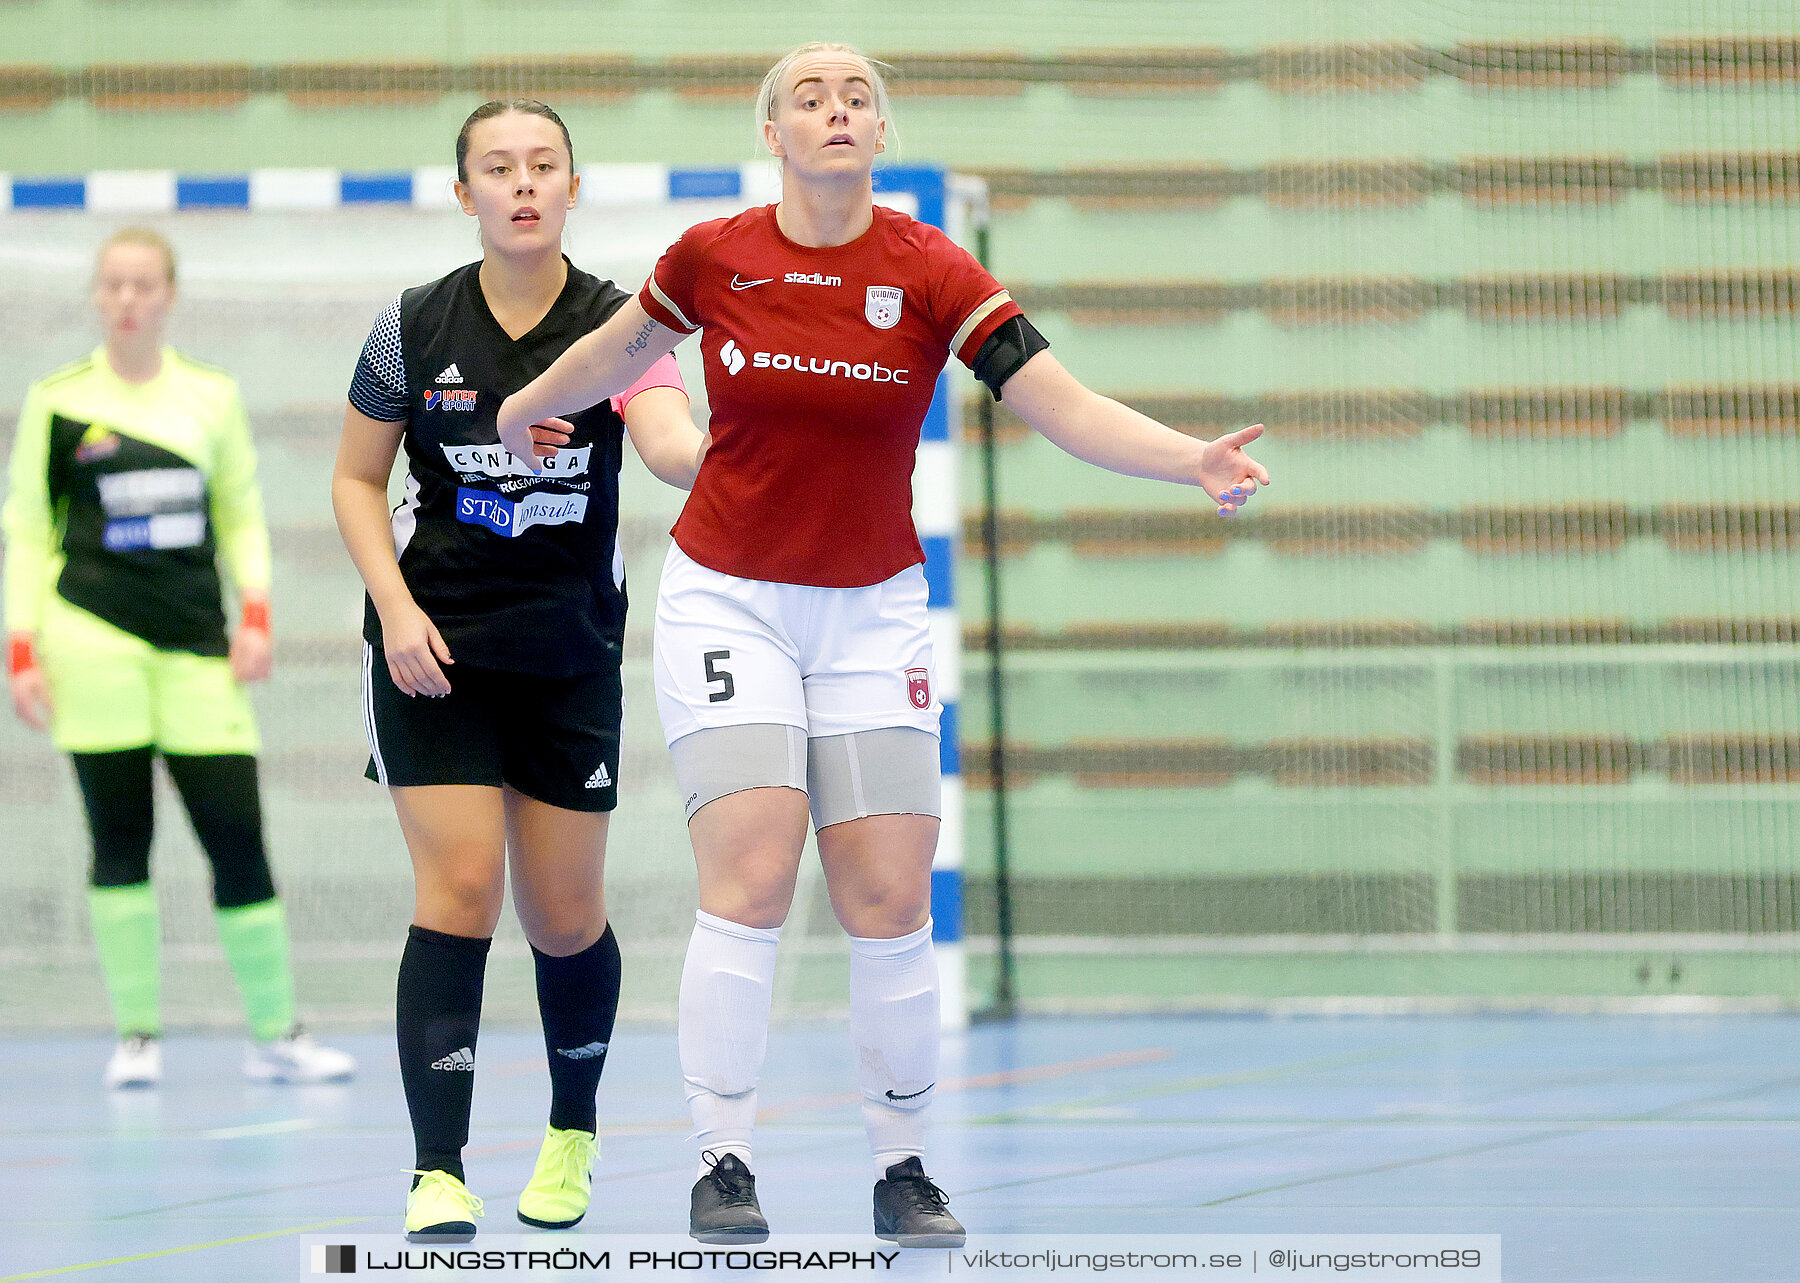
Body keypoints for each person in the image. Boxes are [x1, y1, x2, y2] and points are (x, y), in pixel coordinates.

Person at [494, 42, 1270, 1248]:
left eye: (857, 95)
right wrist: (526, 400)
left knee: (887, 896)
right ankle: (724, 1158)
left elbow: (1058, 401)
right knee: (749, 878)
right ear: (774, 132)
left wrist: (1192, 461)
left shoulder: (932, 269)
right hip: (729, 597)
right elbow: (621, 356)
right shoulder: (714, 256)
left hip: (871, 607)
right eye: (810, 94)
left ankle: (902, 1163)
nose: (836, 108)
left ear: (880, 132)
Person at [332, 99, 704, 1244]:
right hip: (433, 646)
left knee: (563, 912)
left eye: (544, 164)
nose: (524, 183)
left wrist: (725, 447)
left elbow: (667, 438)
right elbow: (355, 480)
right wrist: (393, 610)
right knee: (456, 893)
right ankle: (435, 1169)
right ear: (466, 192)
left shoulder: (622, 325)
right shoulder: (410, 326)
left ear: (573, 186)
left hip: (567, 652)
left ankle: (571, 1129)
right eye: (499, 167)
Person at [4, 228, 357, 1091]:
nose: (127, 298)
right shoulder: (58, 401)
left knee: (236, 835)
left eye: (143, 284)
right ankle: (136, 1035)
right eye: (113, 284)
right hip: (90, 643)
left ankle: (277, 1030)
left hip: (199, 647)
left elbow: (238, 512)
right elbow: (26, 529)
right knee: (120, 838)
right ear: (97, 295)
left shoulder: (210, 396)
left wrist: (258, 615)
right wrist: (22, 648)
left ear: (168, 294)